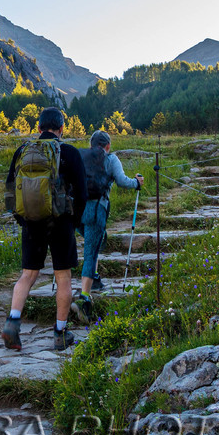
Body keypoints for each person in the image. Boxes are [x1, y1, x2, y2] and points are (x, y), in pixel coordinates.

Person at [2, 107, 86, 352]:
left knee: (27, 274)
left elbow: (10, 190)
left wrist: (23, 219)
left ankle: (12, 324)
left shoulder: (22, 151)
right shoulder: (69, 152)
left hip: (31, 221)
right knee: (63, 277)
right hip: (61, 222)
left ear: (38, 128)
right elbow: (82, 194)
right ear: (61, 129)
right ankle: (60, 333)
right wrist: (74, 222)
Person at [76, 129, 142, 313]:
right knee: (90, 251)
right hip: (97, 209)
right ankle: (84, 299)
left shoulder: (80, 157)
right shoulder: (111, 159)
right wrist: (136, 183)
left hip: (77, 209)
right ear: (108, 146)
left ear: (91, 145)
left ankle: (95, 278)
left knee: (93, 242)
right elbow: (121, 181)